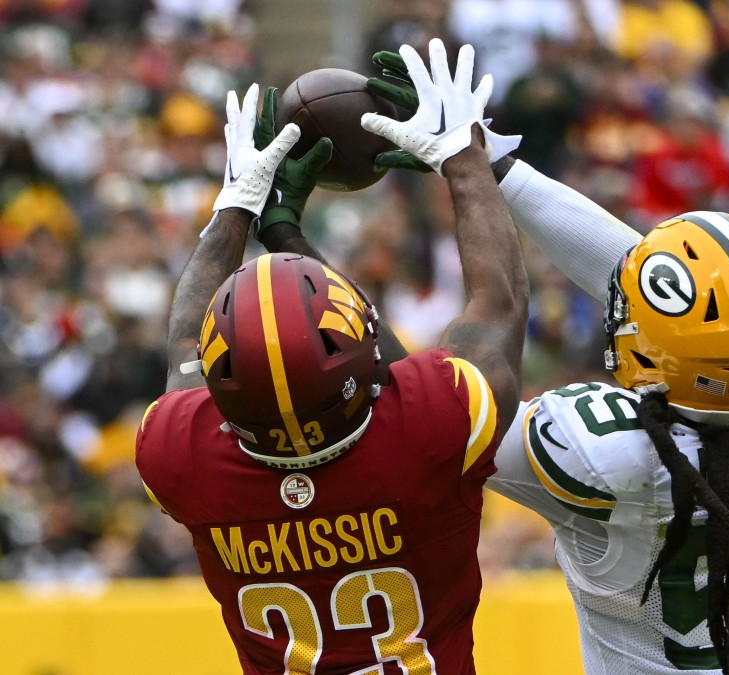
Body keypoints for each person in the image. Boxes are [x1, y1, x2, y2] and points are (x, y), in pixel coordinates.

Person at [360, 51, 729, 674]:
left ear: (659, 356)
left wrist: (301, 264)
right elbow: (680, 298)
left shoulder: (608, 454)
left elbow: (432, 414)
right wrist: (497, 169)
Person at [135, 41, 527, 675]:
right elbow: (499, 305)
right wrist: (464, 158)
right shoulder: (430, 427)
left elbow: (184, 342)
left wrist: (238, 209)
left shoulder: (177, 455)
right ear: (363, 359)